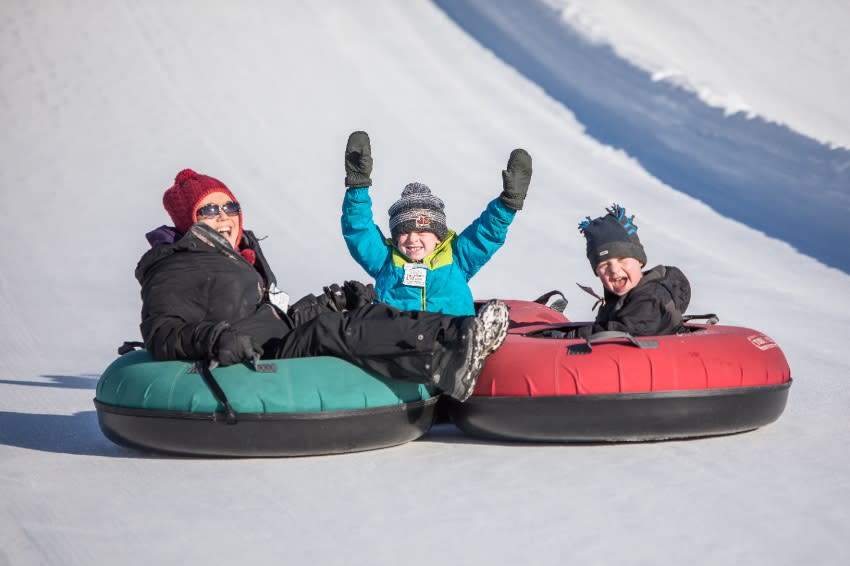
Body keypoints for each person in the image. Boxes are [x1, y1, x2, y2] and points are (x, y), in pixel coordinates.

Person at [135, 168, 510, 401]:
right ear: (189, 219)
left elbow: (269, 314)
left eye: (229, 207)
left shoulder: (239, 254)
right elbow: (161, 332)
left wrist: (331, 299)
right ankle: (453, 341)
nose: (224, 218)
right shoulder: (176, 265)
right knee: (338, 328)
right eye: (209, 211)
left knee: (362, 313)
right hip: (252, 356)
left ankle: (457, 338)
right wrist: (214, 339)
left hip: (274, 341)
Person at [341, 130, 532, 315]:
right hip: (397, 342)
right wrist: (358, 187)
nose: (412, 238)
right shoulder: (385, 261)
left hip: (453, 340)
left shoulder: (457, 259)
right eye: (404, 232)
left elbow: (486, 232)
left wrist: (508, 203)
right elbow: (359, 230)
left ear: (439, 237)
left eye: (422, 231)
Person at [568, 204, 691, 338]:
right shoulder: (617, 300)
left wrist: (571, 337)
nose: (614, 270)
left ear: (640, 261)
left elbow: (621, 331)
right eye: (604, 264)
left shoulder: (651, 298)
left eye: (622, 259)